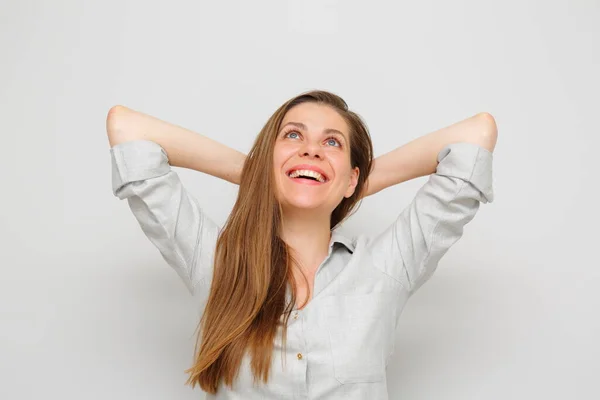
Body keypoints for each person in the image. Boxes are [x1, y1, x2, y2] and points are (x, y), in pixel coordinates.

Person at [107, 90, 497, 399]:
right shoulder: (215, 261)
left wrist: (349, 184)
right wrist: (263, 174)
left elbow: (476, 135)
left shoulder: (385, 267)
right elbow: (126, 129)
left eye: (333, 143)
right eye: (293, 135)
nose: (311, 149)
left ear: (352, 179)